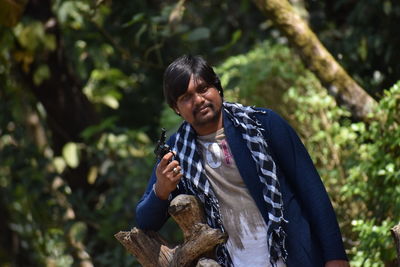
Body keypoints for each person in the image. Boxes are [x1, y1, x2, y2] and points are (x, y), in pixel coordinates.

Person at [136, 55, 349, 267]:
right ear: (176, 108)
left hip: (295, 257)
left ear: (217, 88)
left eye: (203, 89)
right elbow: (145, 222)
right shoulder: (178, 152)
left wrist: (336, 257)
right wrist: (161, 189)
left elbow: (313, 193)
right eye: (186, 97)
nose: (199, 100)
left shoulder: (263, 125)